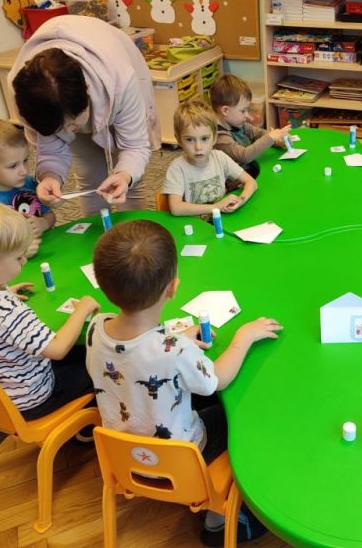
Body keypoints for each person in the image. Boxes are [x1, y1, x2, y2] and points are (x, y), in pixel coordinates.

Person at [86, 219, 280, 544]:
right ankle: (218, 520)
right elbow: (217, 380)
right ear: (172, 287)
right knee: (238, 417)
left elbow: (134, 355)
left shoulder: (95, 327)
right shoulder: (175, 350)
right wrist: (244, 337)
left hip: (123, 457)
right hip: (182, 459)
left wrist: (173, 340)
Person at [0, 201, 100, 420]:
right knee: (100, 364)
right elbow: (58, 349)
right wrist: (81, 310)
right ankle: (85, 427)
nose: (24, 261)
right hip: (33, 399)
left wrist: (5, 293)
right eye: (18, 257)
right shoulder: (8, 313)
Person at [8, 15, 160, 216]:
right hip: (65, 98)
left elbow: (134, 146)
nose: (68, 132)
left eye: (73, 122)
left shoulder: (121, 79)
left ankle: (136, 231)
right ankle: (98, 232)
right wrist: (50, 177)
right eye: (58, 129)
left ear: (87, 90)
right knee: (90, 175)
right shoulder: (28, 97)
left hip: (111, 64)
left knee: (128, 182)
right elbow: (51, 150)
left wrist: (125, 175)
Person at [0, 119, 56, 259]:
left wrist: (44, 223)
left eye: (25, 161)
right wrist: (18, 253)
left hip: (47, 253)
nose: (24, 171)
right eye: (13, 166)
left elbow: (49, 215)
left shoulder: (29, 184)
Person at [162, 99, 257, 216]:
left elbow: (251, 182)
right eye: (189, 140)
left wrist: (241, 200)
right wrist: (215, 207)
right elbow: (176, 208)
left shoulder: (220, 158)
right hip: (195, 224)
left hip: (221, 220)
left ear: (214, 138)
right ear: (178, 140)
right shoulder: (177, 169)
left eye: (204, 139)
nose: (198, 147)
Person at [210, 74, 291, 178]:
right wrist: (271, 137)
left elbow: (258, 133)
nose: (248, 116)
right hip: (235, 182)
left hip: (250, 171)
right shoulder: (220, 136)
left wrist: (277, 140)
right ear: (225, 110)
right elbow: (244, 156)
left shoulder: (237, 124)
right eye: (243, 111)